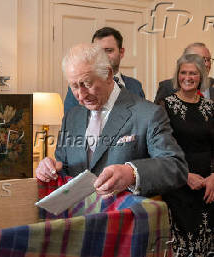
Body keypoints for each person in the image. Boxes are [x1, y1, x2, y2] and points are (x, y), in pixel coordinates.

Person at [36, 43, 188, 198]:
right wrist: (50, 168)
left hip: (124, 218)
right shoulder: (72, 117)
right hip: (79, 218)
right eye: (74, 86)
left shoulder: (148, 114)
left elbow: (175, 167)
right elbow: (64, 167)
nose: (81, 96)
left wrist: (132, 173)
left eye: (87, 84)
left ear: (108, 74)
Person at [158, 53, 214, 257]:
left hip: (209, 188)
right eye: (183, 72)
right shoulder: (164, 106)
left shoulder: (210, 107)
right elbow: (160, 148)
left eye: (193, 73)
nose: (188, 77)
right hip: (180, 185)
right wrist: (184, 175)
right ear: (177, 75)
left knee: (205, 251)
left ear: (201, 76)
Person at [64, 27, 145, 114]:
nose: (102, 56)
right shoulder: (79, 87)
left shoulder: (135, 85)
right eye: (98, 52)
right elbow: (72, 121)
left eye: (108, 50)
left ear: (121, 52)